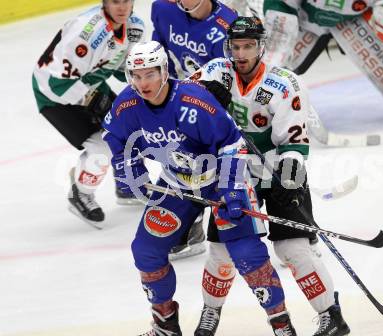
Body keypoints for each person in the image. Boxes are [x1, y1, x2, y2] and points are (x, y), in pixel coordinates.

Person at [101, 40, 297, 336]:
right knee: (146, 250)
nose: (143, 83)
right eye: (137, 76)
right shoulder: (127, 104)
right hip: (177, 182)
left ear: (164, 71)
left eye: (150, 74)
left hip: (220, 178)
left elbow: (232, 144)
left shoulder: (194, 101)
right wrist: (130, 167)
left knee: (246, 252)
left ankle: (282, 326)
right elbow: (115, 138)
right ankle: (166, 326)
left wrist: (232, 190)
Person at [192, 16, 350, 336]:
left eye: (248, 46)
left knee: (293, 249)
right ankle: (210, 313)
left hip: (276, 167)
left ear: (261, 47)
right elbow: (182, 101)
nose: (241, 54)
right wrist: (204, 100)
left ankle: (331, 315)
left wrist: (287, 181)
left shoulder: (284, 83)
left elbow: (294, 141)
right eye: (235, 47)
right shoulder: (213, 73)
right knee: (222, 251)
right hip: (233, 169)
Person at [32, 0, 146, 228]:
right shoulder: (86, 33)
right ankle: (81, 194)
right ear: (105, 3)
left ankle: (125, 185)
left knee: (126, 128)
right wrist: (92, 99)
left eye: (127, 1)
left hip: (88, 83)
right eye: (115, 1)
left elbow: (123, 70)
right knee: (101, 146)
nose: (122, 7)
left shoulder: (135, 27)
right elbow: (57, 85)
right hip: (53, 95)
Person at [149, 0, 238, 258]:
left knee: (211, 164)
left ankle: (200, 223)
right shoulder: (163, 8)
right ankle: (186, 224)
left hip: (210, 107)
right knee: (176, 158)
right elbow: (159, 49)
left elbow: (232, 77)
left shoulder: (226, 27)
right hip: (174, 97)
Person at [262, 0, 383, 122]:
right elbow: (281, 4)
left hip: (352, 23)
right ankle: (258, 100)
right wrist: (276, 50)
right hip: (305, 23)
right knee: (270, 70)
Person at [151, 0, 238, 79]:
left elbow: (238, 81)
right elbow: (157, 46)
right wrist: (167, 77)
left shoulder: (229, 32)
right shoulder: (164, 10)